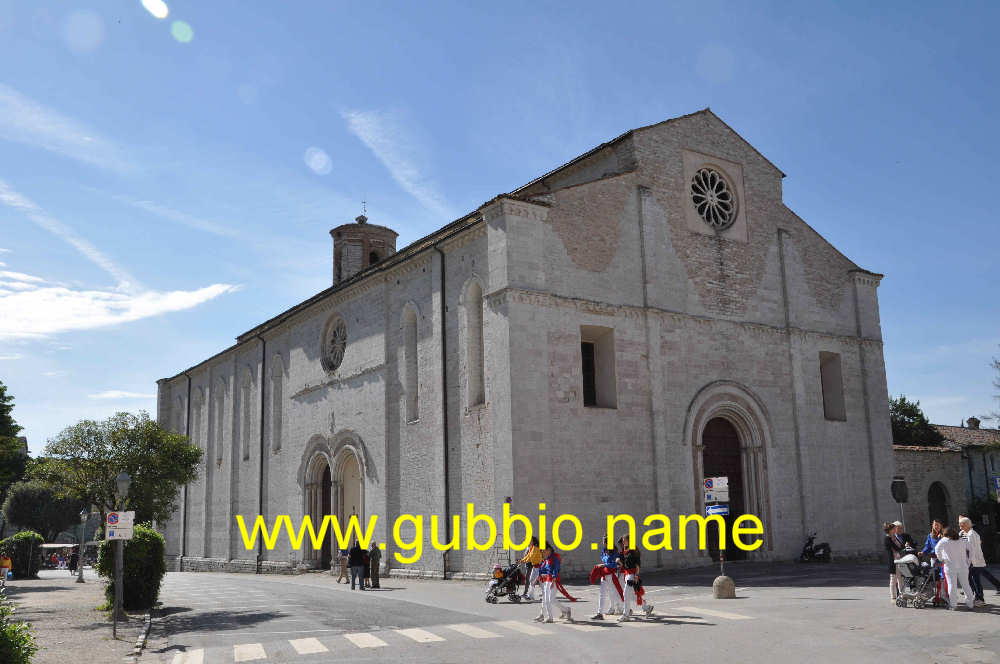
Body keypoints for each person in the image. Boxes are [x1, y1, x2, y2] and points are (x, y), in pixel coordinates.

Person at [959, 516, 1000, 605]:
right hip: (971, 561)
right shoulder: (966, 533)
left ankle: (980, 598)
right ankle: (977, 597)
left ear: (966, 525)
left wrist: (969, 561)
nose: (960, 527)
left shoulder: (971, 534)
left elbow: (971, 550)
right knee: (973, 579)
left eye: (961, 525)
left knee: (975, 580)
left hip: (973, 561)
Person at [935, 526, 974, 610]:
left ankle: (953, 605)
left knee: (951, 585)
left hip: (950, 566)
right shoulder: (962, 540)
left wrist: (941, 559)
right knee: (966, 585)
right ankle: (970, 604)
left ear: (947, 535)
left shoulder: (944, 540)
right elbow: (971, 549)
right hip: (963, 566)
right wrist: (969, 561)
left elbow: (937, 549)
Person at [618, 536, 654, 621]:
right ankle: (647, 607)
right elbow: (624, 564)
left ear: (629, 541)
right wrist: (619, 561)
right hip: (627, 574)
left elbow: (638, 565)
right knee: (632, 595)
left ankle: (626, 615)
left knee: (626, 594)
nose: (623, 542)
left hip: (632, 575)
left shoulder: (633, 551)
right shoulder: (625, 551)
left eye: (624, 541)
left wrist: (637, 575)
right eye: (623, 541)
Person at [534, 544, 571, 623]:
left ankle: (550, 617)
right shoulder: (545, 559)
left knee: (548, 599)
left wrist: (553, 580)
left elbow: (556, 570)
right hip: (545, 581)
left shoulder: (555, 558)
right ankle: (565, 610)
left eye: (543, 551)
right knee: (548, 600)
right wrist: (537, 579)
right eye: (541, 551)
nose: (542, 553)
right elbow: (541, 570)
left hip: (552, 581)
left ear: (549, 550)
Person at [590, 537, 623, 620]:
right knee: (602, 594)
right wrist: (605, 564)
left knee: (614, 593)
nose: (603, 544)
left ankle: (625, 608)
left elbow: (615, 564)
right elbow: (602, 557)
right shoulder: (604, 550)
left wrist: (604, 564)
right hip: (604, 574)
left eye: (604, 542)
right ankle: (600, 613)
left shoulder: (615, 552)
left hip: (612, 575)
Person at [884, 521, 913, 602]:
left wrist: (905, 545)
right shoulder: (887, 539)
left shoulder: (894, 537)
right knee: (893, 578)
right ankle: (893, 596)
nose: (895, 530)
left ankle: (901, 593)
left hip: (899, 559)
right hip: (893, 560)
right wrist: (902, 548)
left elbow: (901, 545)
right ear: (890, 530)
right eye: (893, 529)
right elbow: (896, 548)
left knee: (900, 578)